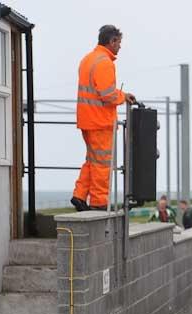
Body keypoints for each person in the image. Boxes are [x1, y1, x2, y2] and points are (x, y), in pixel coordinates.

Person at [71, 25, 136, 212]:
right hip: (100, 122)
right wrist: (123, 96)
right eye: (119, 43)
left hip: (87, 119)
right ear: (112, 41)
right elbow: (107, 94)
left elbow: (98, 90)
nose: (120, 47)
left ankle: (79, 195)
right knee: (102, 164)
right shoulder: (105, 63)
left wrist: (122, 94)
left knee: (92, 160)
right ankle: (99, 203)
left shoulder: (87, 59)